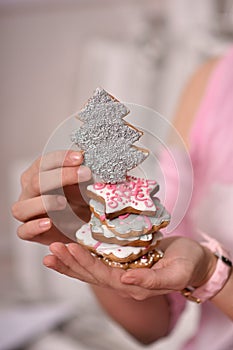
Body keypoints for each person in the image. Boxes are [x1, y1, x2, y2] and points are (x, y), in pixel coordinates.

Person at [12, 47, 233, 349]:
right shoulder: (212, 78)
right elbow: (152, 326)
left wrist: (211, 272)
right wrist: (92, 235)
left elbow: (196, 268)